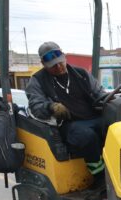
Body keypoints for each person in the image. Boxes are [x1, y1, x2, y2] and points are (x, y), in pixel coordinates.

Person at [26, 42, 108, 178]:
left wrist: (111, 100)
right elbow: (36, 106)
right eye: (53, 66)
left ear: (64, 56)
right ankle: (100, 177)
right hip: (67, 124)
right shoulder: (38, 80)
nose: (59, 67)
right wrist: (51, 107)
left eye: (60, 62)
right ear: (43, 63)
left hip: (93, 117)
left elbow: (99, 93)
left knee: (117, 126)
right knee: (87, 136)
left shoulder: (81, 74)